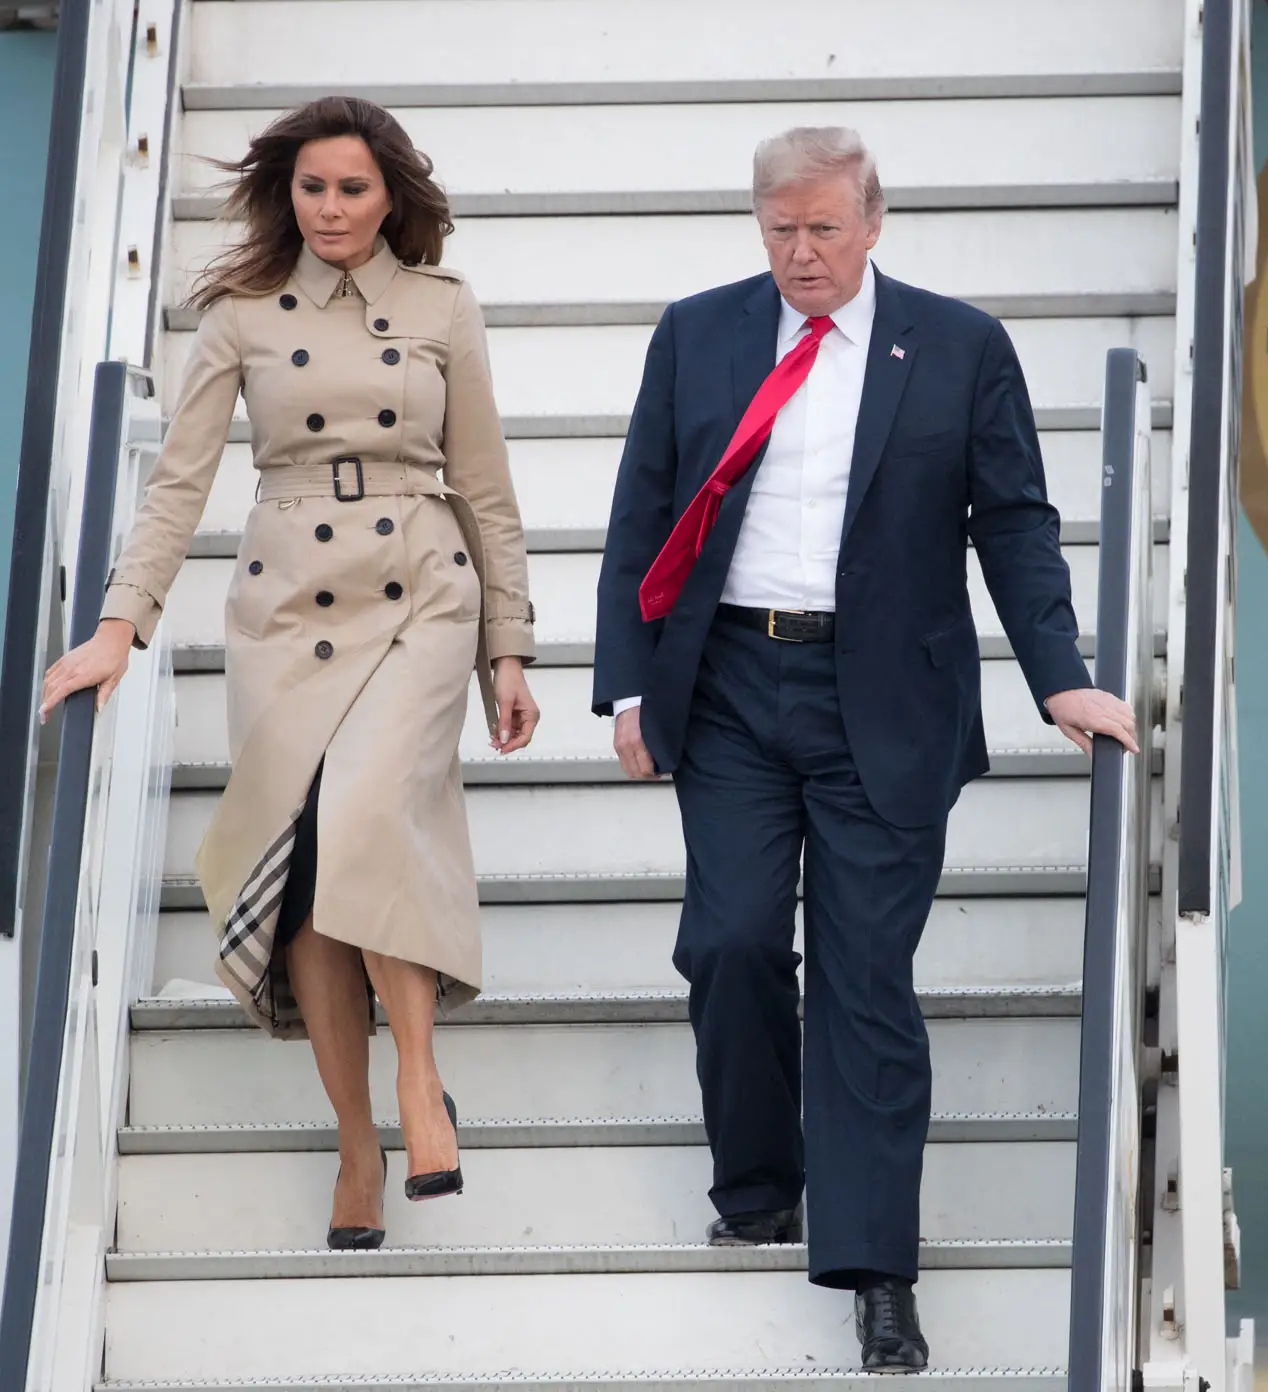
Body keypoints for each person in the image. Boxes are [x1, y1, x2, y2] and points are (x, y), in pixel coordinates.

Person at [593, 126, 1138, 1373]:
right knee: (728, 942)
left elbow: (1011, 519)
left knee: (861, 983)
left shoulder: (956, 344)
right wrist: (624, 685)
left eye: (823, 229)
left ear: (873, 224)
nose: (800, 254)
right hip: (730, 681)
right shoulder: (699, 330)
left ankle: (876, 1268)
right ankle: (758, 1184)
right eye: (779, 230)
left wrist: (1058, 674)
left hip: (883, 701)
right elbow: (644, 501)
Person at [40, 96, 539, 1250]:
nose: (329, 209)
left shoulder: (442, 309)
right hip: (283, 608)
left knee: (365, 820)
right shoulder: (241, 315)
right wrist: (124, 624)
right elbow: (178, 484)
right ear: (287, 194)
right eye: (311, 188)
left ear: (390, 194)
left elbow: (488, 489)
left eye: (351, 188)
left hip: (420, 586)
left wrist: (506, 648)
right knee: (304, 873)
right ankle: (357, 1144)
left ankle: (418, 1080)